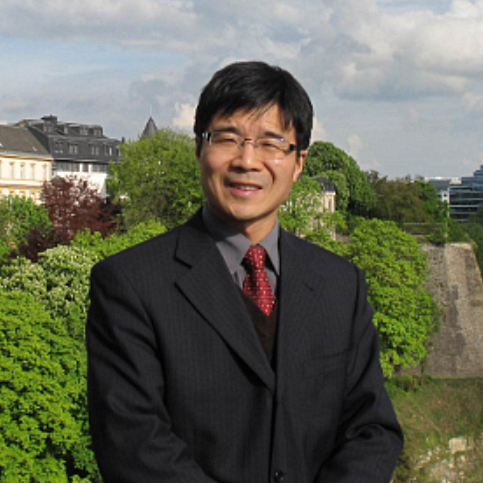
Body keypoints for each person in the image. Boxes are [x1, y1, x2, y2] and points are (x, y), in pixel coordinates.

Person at [87, 61, 403, 483]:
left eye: (272, 143)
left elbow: (371, 429)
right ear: (199, 148)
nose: (247, 160)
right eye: (227, 138)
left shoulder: (340, 284)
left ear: (299, 162)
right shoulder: (130, 284)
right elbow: (135, 446)